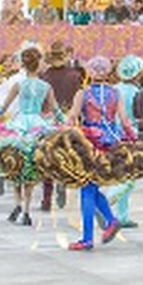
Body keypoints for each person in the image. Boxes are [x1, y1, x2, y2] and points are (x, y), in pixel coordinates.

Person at [0, 48, 63, 226]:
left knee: (15, 164)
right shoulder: (45, 87)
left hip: (18, 124)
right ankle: (26, 210)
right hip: (37, 125)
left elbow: (4, 108)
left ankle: (17, 203)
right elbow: (55, 109)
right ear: (38, 65)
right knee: (30, 168)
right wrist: (66, 122)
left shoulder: (19, 85)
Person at [66, 56, 136, 251]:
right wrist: (133, 140)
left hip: (89, 143)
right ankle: (111, 221)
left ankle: (87, 238)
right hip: (110, 144)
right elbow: (124, 120)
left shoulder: (83, 93)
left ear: (89, 72)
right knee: (93, 187)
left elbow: (72, 117)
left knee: (86, 189)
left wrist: (61, 134)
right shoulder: (116, 93)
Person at [107, 55, 143, 228]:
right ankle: (106, 203)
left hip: (113, 135)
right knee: (130, 177)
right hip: (131, 135)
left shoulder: (113, 89)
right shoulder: (137, 93)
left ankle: (122, 215)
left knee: (120, 175)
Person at [39, 42, 84, 211]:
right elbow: (79, 99)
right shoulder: (75, 75)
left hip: (49, 118)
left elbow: (42, 100)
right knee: (67, 155)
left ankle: (46, 198)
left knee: (47, 157)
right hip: (69, 118)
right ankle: (63, 183)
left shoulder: (44, 76)